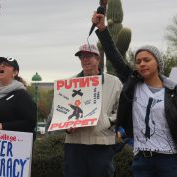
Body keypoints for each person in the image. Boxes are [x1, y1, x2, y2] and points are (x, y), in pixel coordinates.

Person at [93, 13, 177, 177]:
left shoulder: (174, 92)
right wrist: (102, 30)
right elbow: (115, 56)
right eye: (138, 62)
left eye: (146, 60)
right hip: (142, 162)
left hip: (170, 162)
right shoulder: (133, 84)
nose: (142, 64)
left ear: (157, 63)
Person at [47, 43, 123, 177]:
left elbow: (122, 110)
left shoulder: (114, 82)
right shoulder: (68, 83)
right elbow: (56, 112)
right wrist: (66, 126)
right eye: (81, 57)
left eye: (89, 56)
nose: (85, 60)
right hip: (75, 144)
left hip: (101, 144)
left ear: (98, 59)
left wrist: (107, 121)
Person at [0, 57, 36, 134]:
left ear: (15, 72)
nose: (1, 66)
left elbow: (30, 123)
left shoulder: (21, 95)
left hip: (9, 143)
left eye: (6, 65)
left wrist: (4, 126)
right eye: (0, 65)